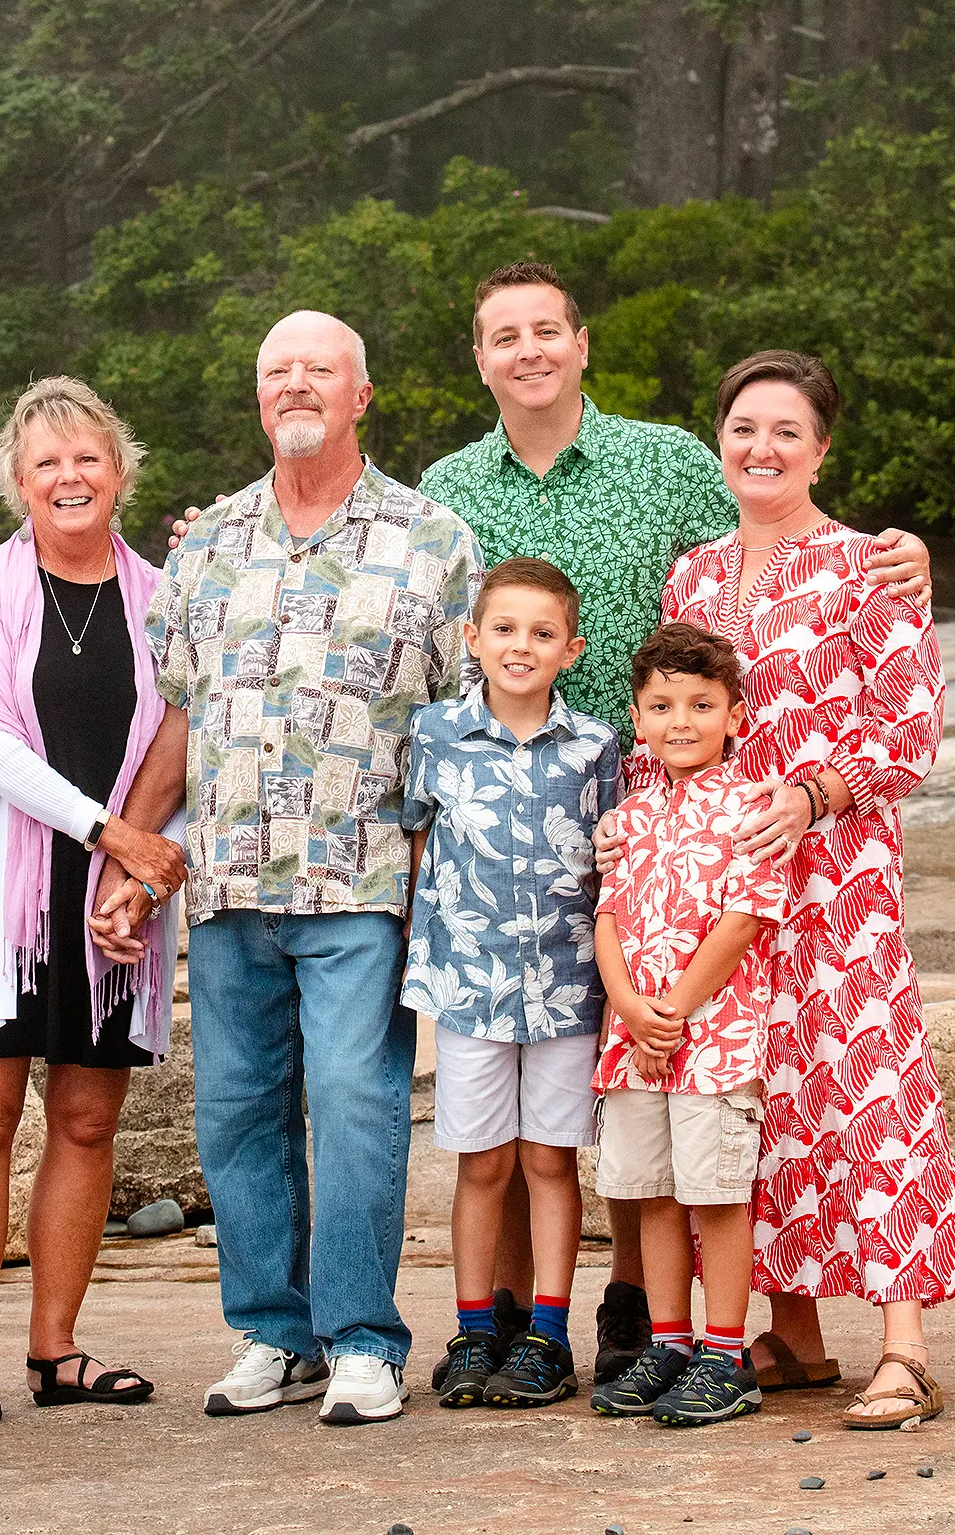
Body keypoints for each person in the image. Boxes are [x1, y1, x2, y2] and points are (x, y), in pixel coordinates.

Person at [173, 262, 935, 1405]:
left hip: (724, 823)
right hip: (587, 835)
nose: (526, 350)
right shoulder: (446, 494)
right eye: (501, 336)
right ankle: (599, 1329)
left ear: (581, 344)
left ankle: (682, 1318)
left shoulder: (671, 463)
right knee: (646, 1090)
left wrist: (903, 555)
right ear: (478, 359)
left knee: (767, 1085)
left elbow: (782, 535)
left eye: (546, 331)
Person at [149, 309, 481, 1427]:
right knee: (237, 1114)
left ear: (360, 396)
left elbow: (457, 725)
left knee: (352, 1102)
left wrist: (442, 880)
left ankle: (362, 1340)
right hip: (229, 882)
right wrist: (132, 852)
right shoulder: (207, 543)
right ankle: (270, 1334)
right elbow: (179, 716)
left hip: (363, 880)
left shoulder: (433, 540)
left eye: (319, 371)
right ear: (259, 399)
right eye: (277, 372)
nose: (296, 385)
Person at [644, 349, 955, 1431]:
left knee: (871, 1091)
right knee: (764, 1097)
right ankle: (793, 1335)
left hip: (839, 877)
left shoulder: (868, 566)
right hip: (727, 890)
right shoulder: (690, 574)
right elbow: (668, 729)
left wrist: (818, 788)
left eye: (787, 431)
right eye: (744, 428)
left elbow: (911, 727)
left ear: (821, 449)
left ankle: (905, 1346)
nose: (762, 448)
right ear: (719, 441)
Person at [0, 377, 189, 1421]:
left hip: (119, 888)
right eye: (46, 463)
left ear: (119, 471)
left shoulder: (167, 596)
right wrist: (111, 835)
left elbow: (182, 729)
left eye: (87, 457)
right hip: (8, 887)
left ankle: (57, 1349)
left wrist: (134, 866)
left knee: (86, 1119)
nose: (68, 476)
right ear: (16, 483)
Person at [401, 557, 619, 1413]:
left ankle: (549, 1335)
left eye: (541, 633)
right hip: (468, 986)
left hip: (568, 988)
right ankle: (475, 1328)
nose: (520, 646)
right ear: (472, 638)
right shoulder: (436, 734)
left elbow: (610, 867)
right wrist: (425, 949)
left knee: (549, 1159)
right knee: (483, 1160)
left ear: (572, 647)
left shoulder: (596, 746)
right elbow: (419, 840)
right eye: (503, 629)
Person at [590, 621, 790, 1427]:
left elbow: (743, 920)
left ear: (734, 715)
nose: (681, 721)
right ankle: (668, 1344)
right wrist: (633, 1009)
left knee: (714, 1195)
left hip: (715, 1042)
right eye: (663, 705)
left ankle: (723, 1353)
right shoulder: (630, 817)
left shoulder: (754, 806)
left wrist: (673, 1007)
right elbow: (607, 920)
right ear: (638, 719)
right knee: (654, 1197)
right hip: (635, 1047)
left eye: (701, 704)